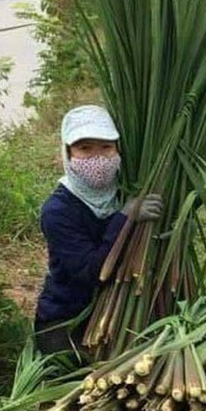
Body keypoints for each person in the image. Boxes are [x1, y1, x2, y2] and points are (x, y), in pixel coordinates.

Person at [34, 105, 162, 356]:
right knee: (73, 377)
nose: (98, 158)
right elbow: (92, 271)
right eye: (85, 149)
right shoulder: (57, 210)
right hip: (68, 317)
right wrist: (125, 218)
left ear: (118, 150)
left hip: (124, 310)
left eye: (106, 147)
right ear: (68, 153)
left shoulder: (126, 190)